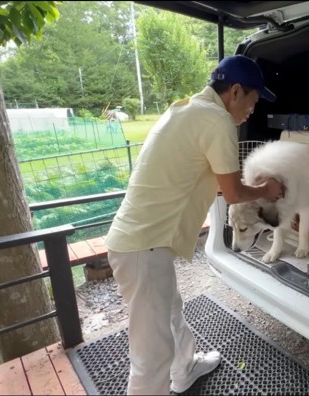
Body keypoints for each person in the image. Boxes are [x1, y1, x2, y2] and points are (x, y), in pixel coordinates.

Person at [105, 55, 283, 395]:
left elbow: (200, 177)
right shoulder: (217, 121)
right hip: (143, 245)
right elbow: (231, 193)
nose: (253, 110)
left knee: (171, 309)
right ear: (235, 91)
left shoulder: (185, 109)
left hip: (142, 240)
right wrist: (267, 190)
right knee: (151, 354)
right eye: (253, 100)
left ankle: (184, 369)